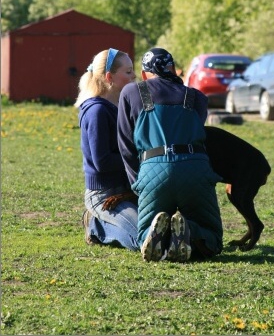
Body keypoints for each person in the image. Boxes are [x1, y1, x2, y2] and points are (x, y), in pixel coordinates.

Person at [117, 47, 223, 262]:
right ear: (173, 69)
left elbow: (125, 145)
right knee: (212, 235)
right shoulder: (197, 97)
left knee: (144, 230)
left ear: (145, 73)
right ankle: (190, 231)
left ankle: (157, 235)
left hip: (152, 168)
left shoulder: (131, 92)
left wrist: (137, 182)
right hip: (194, 167)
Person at [74, 48, 139, 251]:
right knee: (144, 238)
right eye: (128, 72)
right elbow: (102, 162)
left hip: (127, 191)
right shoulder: (97, 111)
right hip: (103, 194)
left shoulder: (121, 105)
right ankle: (95, 225)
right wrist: (139, 159)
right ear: (110, 76)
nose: (134, 75)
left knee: (158, 228)